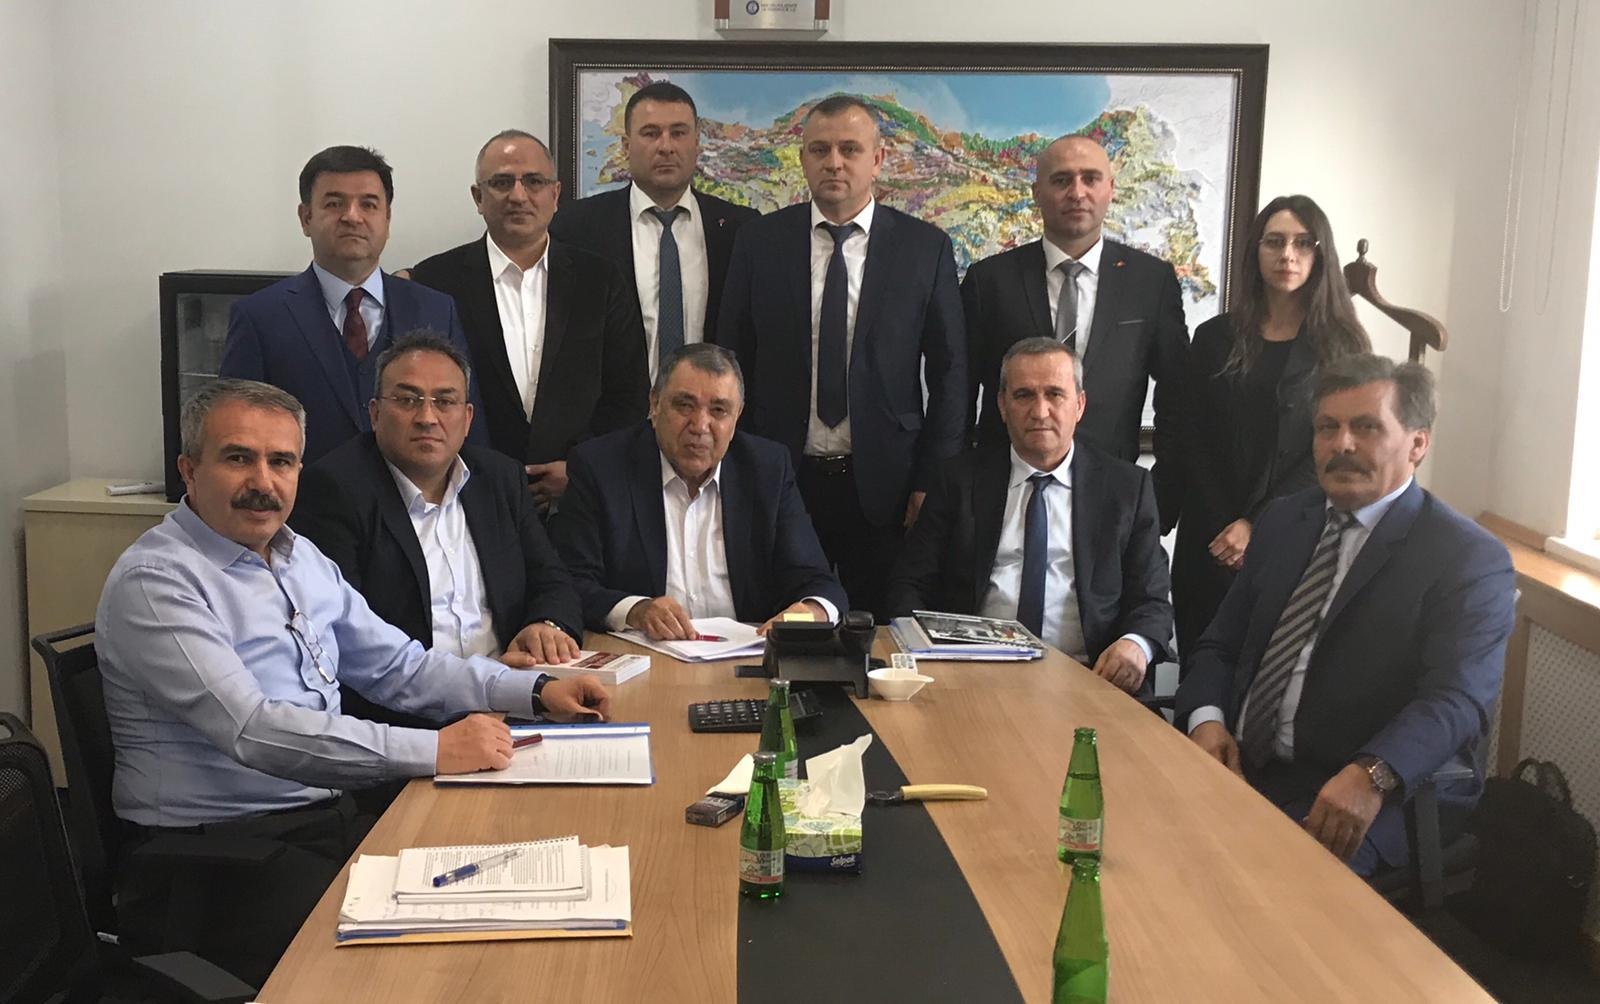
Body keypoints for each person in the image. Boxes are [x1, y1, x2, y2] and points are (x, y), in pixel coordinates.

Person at [96, 379, 609, 985]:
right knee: (432, 966)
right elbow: (253, 729)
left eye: (281, 461)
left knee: (508, 891)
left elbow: (400, 666)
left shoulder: (298, 557)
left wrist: (533, 690)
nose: (263, 482)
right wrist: (436, 750)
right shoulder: (158, 581)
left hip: (320, 822)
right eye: (238, 458)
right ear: (189, 469)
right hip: (214, 862)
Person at [1173, 355, 1514, 876]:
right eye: (1327, 428)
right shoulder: (1285, 520)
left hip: (1368, 787)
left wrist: (1373, 773)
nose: (1342, 445)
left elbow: (1458, 699)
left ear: (1417, 443)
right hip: (1246, 763)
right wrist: (1206, 722)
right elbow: (1220, 644)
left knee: (1261, 885)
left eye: (1367, 427)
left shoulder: (1466, 556)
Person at [716, 94, 967, 618]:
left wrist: (932, 480)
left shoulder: (924, 248)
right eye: (820, 150)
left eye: (850, 149)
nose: (834, 162)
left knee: (877, 628)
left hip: (886, 482)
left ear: (878, 159)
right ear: (802, 159)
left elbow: (951, 373)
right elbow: (730, 359)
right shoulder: (760, 242)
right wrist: (735, 463)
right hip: (780, 473)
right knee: (778, 624)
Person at [291, 331, 585, 729]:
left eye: (444, 401)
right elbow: (349, 647)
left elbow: (553, 580)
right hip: (411, 724)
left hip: (516, 701)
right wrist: (486, 684)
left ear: (467, 418)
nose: (427, 417)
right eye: (407, 400)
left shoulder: (499, 478)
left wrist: (545, 625)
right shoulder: (335, 490)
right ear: (375, 414)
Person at [887, 338, 1172, 693]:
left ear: (1079, 405)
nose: (1040, 412)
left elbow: (1153, 600)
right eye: (1023, 395)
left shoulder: (1127, 488)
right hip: (973, 677)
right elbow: (910, 584)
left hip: (1089, 678)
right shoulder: (958, 481)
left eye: (1055, 394)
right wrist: (926, 652)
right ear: (1002, 406)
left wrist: (1136, 645)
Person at [1172, 195, 1370, 663]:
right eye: (1275, 242)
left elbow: (1336, 448)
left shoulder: (1343, 346)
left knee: (1274, 676)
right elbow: (1191, 436)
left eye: (1303, 243)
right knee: (1202, 671)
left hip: (1297, 534)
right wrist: (1225, 526)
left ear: (1321, 255)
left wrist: (1255, 525)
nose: (1287, 255)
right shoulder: (1214, 337)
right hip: (1209, 538)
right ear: (1255, 252)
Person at [410, 130, 650, 509]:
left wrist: (580, 468)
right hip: (464, 497)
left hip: (578, 501)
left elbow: (629, 393)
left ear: (555, 195)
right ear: (478, 197)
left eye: (534, 182)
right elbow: (420, 394)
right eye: (502, 182)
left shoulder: (601, 280)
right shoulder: (434, 282)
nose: (518, 196)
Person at [961, 134, 1189, 530]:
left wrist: (1163, 495)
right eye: (1062, 180)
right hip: (1003, 493)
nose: (1077, 192)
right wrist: (956, 488)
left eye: (1090, 178)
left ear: (1110, 188)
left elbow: (1179, 396)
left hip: (1112, 496)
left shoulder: (1151, 282)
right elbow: (959, 393)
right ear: (1037, 192)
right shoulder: (990, 281)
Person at [549, 343, 847, 640]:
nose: (700, 426)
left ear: (737, 415)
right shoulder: (601, 467)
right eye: (685, 405)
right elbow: (571, 581)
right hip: (644, 655)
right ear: (655, 404)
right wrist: (636, 610)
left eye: (718, 410)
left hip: (745, 656)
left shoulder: (766, 469)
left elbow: (817, 582)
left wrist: (807, 614)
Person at [221, 145, 484, 464]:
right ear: (306, 218)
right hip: (304, 495)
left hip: (416, 496)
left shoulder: (437, 311)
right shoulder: (260, 317)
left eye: (368, 204)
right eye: (334, 204)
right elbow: (234, 432)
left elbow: (467, 429)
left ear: (387, 218)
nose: (352, 217)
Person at [549, 81, 760, 380]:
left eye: (679, 133)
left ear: (697, 142)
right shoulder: (576, 228)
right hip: (613, 407)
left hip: (711, 405)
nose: (666, 146)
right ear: (626, 146)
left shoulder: (741, 229)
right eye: (650, 133)